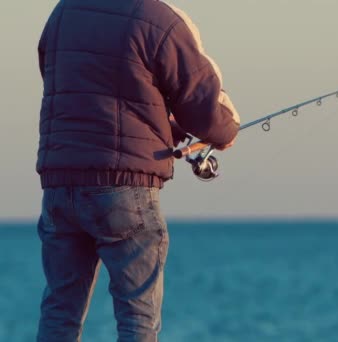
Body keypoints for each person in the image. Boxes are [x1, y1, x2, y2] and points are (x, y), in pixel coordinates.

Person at [35, 1, 240, 341]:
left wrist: (160, 126)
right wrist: (225, 132)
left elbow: (74, 87)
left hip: (60, 183)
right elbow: (204, 108)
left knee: (60, 313)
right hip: (125, 188)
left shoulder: (64, 12)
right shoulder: (158, 18)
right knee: (137, 319)